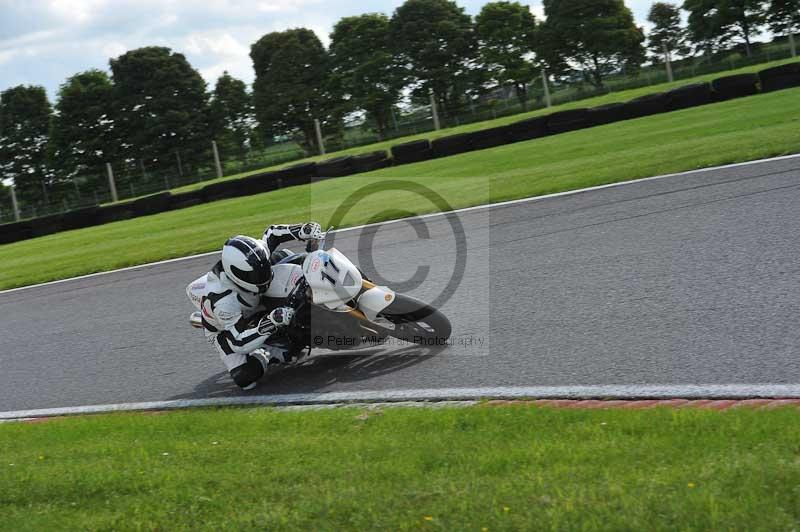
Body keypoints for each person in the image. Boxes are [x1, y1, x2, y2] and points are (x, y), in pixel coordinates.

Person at [196, 222, 324, 390]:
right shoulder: (223, 302)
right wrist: (271, 321)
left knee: (289, 257)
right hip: (228, 329)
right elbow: (239, 342)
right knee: (246, 377)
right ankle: (271, 353)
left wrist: (301, 230)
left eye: (262, 269)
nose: (262, 275)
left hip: (255, 297)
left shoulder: (253, 259)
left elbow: (272, 233)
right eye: (255, 274)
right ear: (237, 274)